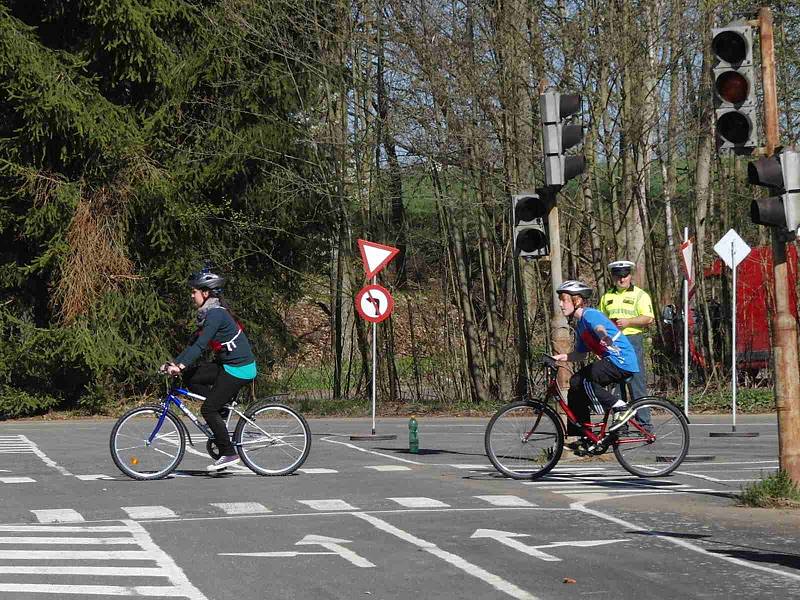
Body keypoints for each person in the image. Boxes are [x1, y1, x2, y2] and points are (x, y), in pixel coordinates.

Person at [162, 268, 257, 471]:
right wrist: (174, 364)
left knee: (208, 409)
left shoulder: (215, 315)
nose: (191, 295)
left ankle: (229, 453)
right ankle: (221, 410)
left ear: (206, 293)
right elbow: (192, 344)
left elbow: (201, 346)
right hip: (228, 365)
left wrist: (179, 366)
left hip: (240, 369)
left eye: (194, 291)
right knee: (192, 377)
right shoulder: (209, 314)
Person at [551, 280, 640, 442]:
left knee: (582, 380)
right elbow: (580, 354)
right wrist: (562, 357)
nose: (561, 304)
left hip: (621, 360)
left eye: (564, 300)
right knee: (575, 386)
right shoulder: (580, 326)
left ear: (576, 301)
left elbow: (599, 327)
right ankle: (580, 436)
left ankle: (620, 407)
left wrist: (604, 336)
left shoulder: (589, 315)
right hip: (613, 361)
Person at [599, 260, 654, 426]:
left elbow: (648, 318)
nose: (622, 280)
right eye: (618, 276)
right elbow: (600, 320)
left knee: (636, 382)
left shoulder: (640, 295)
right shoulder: (606, 297)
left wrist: (629, 322)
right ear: (613, 277)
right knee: (616, 386)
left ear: (630, 275)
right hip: (612, 343)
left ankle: (644, 423)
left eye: (625, 276)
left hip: (632, 341)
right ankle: (620, 424)